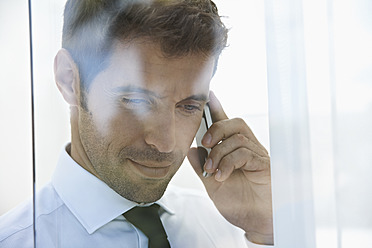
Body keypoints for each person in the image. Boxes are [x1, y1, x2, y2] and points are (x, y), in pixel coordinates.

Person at [0, 0, 273, 247]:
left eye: (189, 106)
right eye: (136, 101)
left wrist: (265, 232)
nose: (166, 144)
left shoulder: (229, 231)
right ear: (70, 80)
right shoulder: (16, 241)